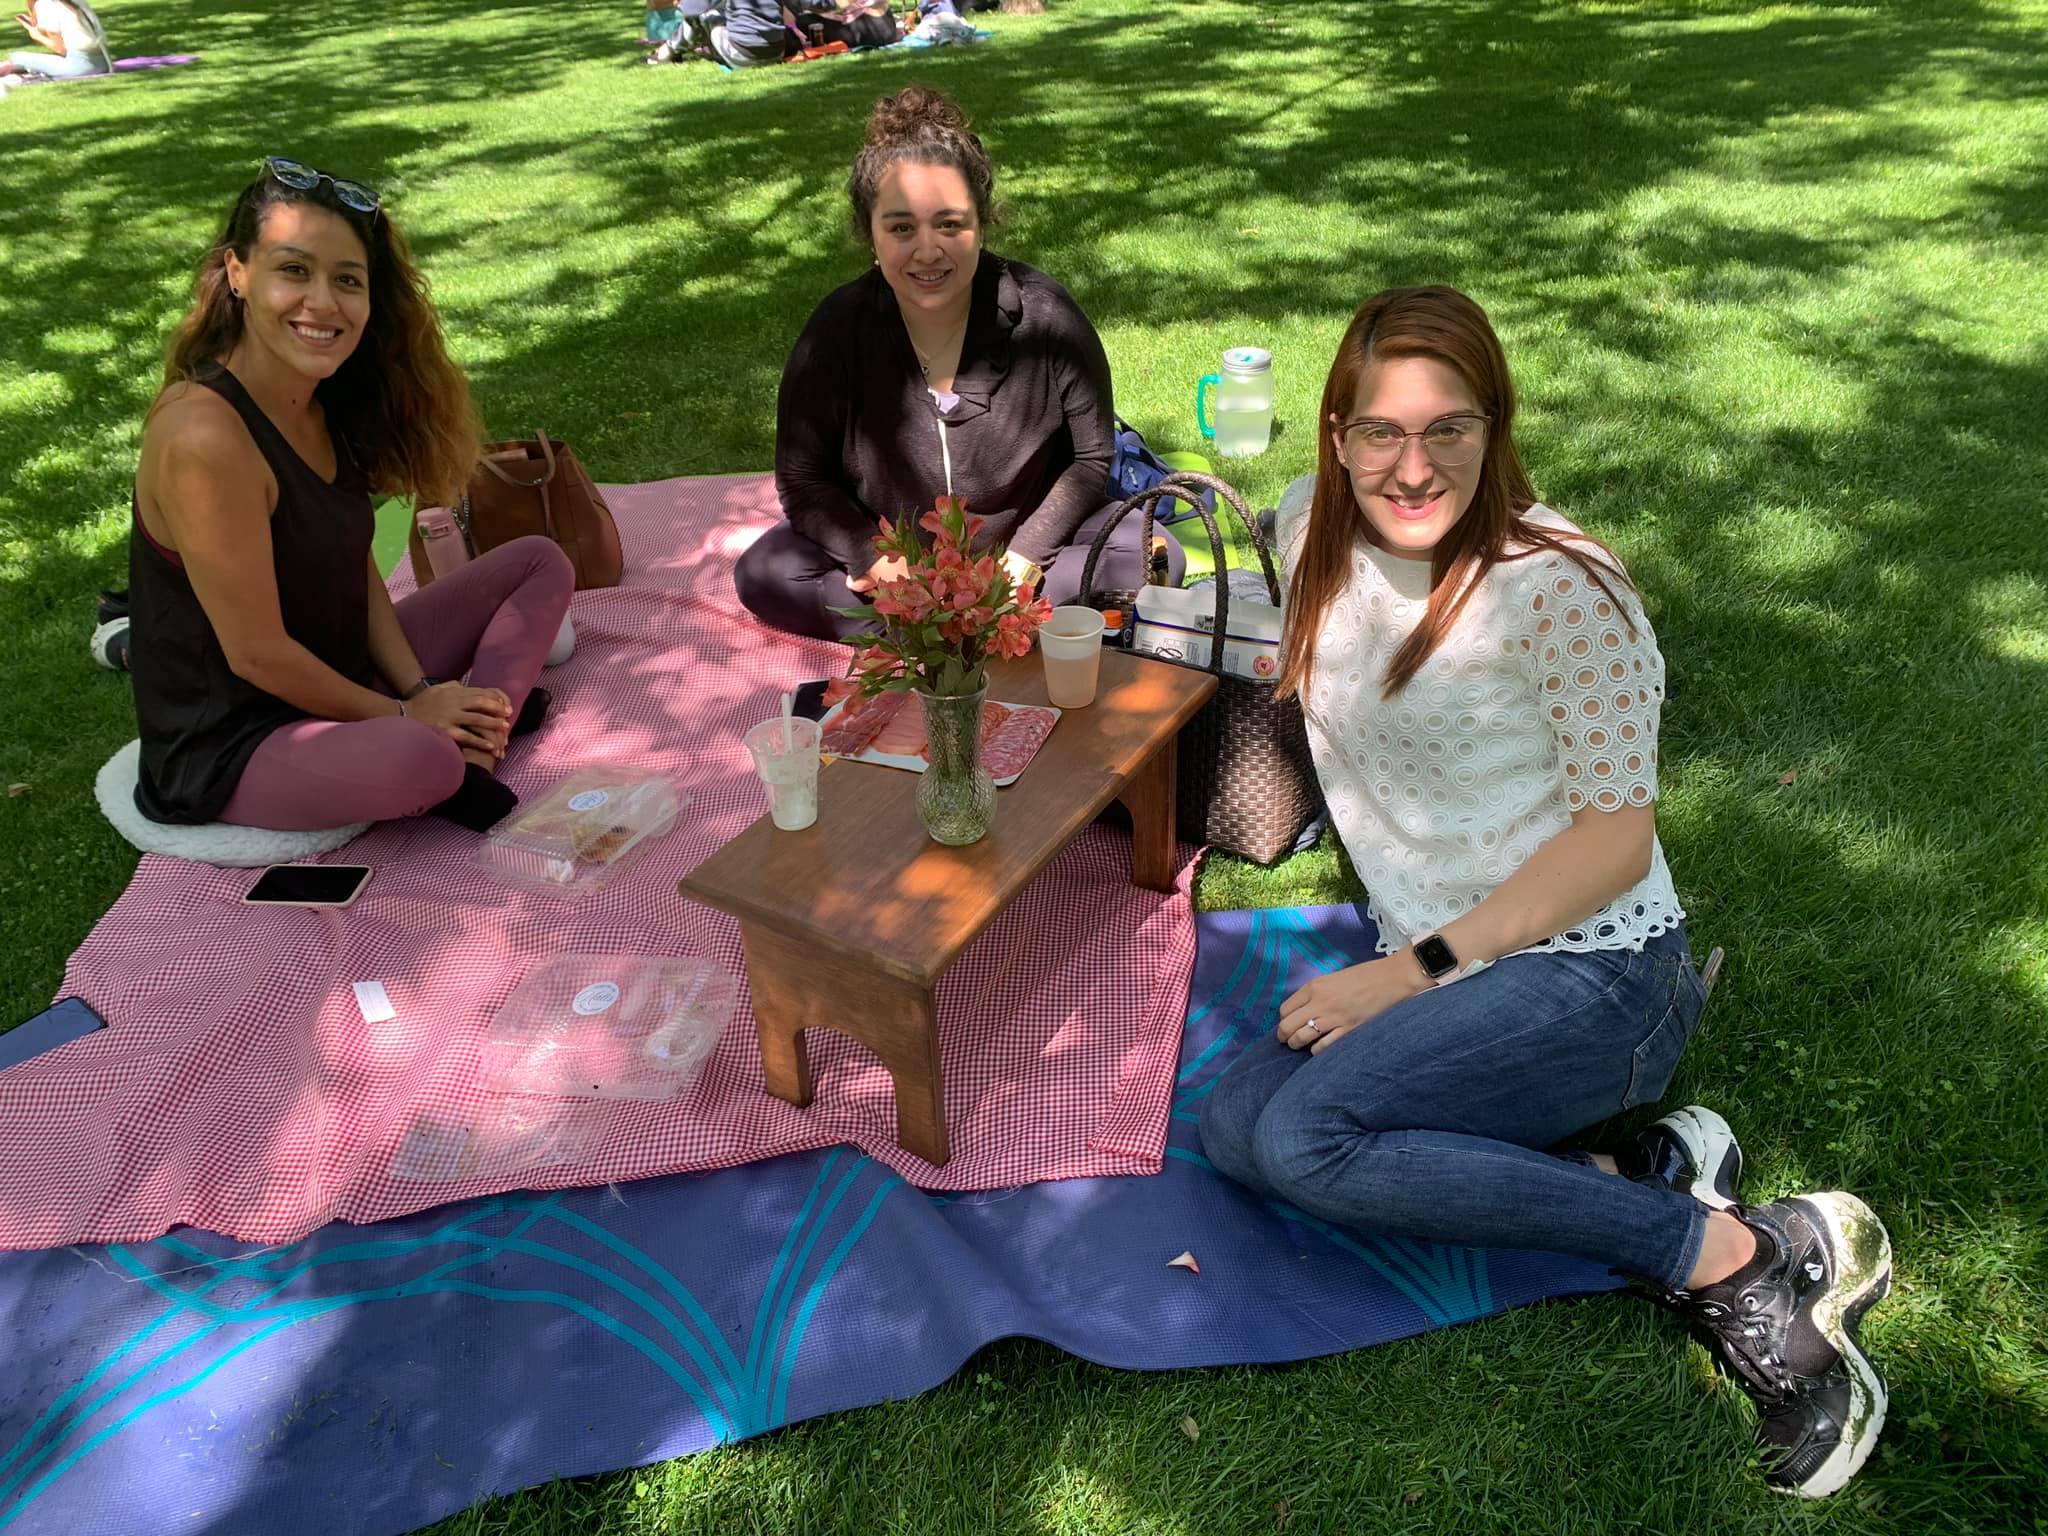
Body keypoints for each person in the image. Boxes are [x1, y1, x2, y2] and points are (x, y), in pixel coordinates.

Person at [1198, 286, 1892, 1499]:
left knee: (1308, 1137)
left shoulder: (1559, 590)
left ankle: (1736, 1254)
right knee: (1230, 1131)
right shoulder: (1309, 525)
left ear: (1494, 427)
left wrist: (1403, 973)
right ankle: (1632, 1179)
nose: (1410, 467)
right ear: (1333, 431)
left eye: (1447, 430)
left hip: (1600, 976)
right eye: (1379, 432)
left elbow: (1615, 844)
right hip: (1452, 963)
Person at [129, 156, 573, 834]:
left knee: (541, 561)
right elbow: (255, 655)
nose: (324, 303)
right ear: (238, 272)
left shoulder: (320, 397)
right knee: (418, 759)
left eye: (347, 280)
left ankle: (476, 740)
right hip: (234, 739)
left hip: (343, 678)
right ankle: (458, 742)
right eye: (293, 270)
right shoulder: (203, 436)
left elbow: (353, 562)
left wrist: (421, 690)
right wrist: (405, 716)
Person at [737, 85, 1183, 643]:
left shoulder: (1046, 319)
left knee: (1140, 553)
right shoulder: (836, 331)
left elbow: (1091, 459)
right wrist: (869, 556)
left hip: (1022, 556)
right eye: (902, 228)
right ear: (870, 234)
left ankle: (954, 629)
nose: (927, 250)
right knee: (764, 571)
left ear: (982, 222)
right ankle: (948, 631)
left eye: (950, 224)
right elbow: (803, 479)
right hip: (896, 568)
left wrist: (1026, 556)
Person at [2, 0, 111, 79]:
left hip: (79, 67)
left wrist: (36, 35)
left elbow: (60, 49)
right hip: (105, 62)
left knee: (17, 56)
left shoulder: (45, 4)